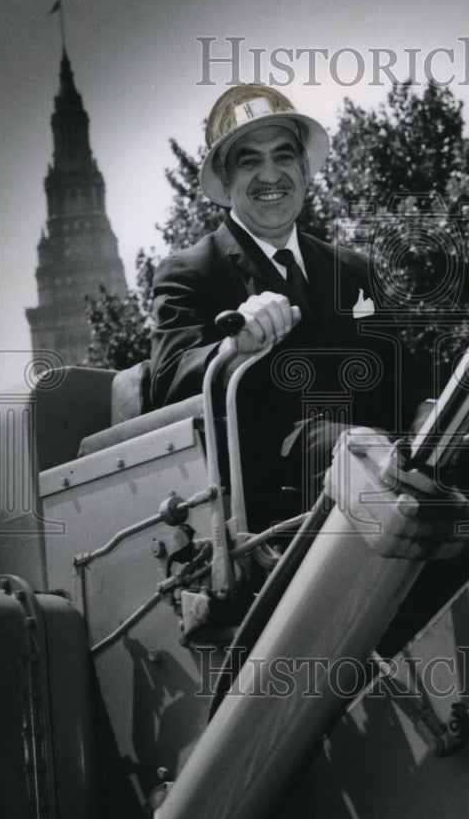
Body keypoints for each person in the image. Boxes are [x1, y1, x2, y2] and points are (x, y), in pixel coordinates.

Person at [150, 84, 424, 528]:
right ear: (224, 179)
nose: (271, 175)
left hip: (389, 477)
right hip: (277, 519)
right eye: (249, 161)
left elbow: (404, 378)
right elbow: (168, 383)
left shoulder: (352, 270)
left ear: (304, 167)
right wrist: (233, 348)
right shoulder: (189, 272)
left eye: (283, 156)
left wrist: (427, 409)